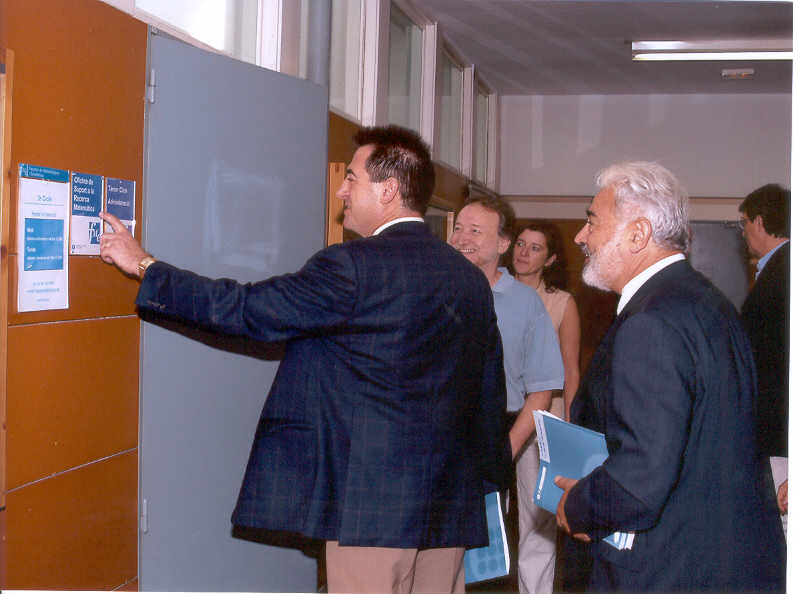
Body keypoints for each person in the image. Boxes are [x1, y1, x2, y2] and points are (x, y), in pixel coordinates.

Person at [99, 125, 512, 594]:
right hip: (449, 505)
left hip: (371, 511)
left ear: (388, 190)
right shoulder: (469, 279)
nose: (341, 190)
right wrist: (488, 482)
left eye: (352, 178)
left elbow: (247, 309)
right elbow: (488, 391)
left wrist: (146, 266)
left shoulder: (353, 265)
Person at [554, 161, 785, 592]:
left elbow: (642, 476)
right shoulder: (708, 301)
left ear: (638, 234)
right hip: (720, 559)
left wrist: (579, 505)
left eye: (592, 221)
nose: (581, 236)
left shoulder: (651, 322)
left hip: (668, 567)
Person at [449, 195, 564, 594]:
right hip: (436, 433)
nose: (462, 238)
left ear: (502, 243)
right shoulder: (434, 289)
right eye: (458, 228)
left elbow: (542, 391)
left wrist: (503, 452)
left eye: (475, 231)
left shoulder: (526, 304)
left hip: (497, 431)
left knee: (486, 561)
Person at [739, 183, 790, 535]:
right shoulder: (776, 270)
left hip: (778, 428)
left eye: (743, 223)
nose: (743, 232)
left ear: (759, 222)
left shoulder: (781, 274)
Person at [512, 221, 581, 421]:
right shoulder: (492, 292)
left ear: (549, 260)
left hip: (545, 413)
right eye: (520, 244)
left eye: (535, 248)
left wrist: (570, 423)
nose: (524, 253)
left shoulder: (562, 303)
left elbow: (571, 371)